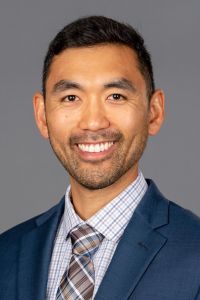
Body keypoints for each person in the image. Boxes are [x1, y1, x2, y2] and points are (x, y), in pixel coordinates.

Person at [1, 15, 200, 300]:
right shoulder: (7, 252)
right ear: (42, 115)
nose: (93, 122)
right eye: (71, 97)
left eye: (116, 96)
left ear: (154, 112)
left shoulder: (195, 254)